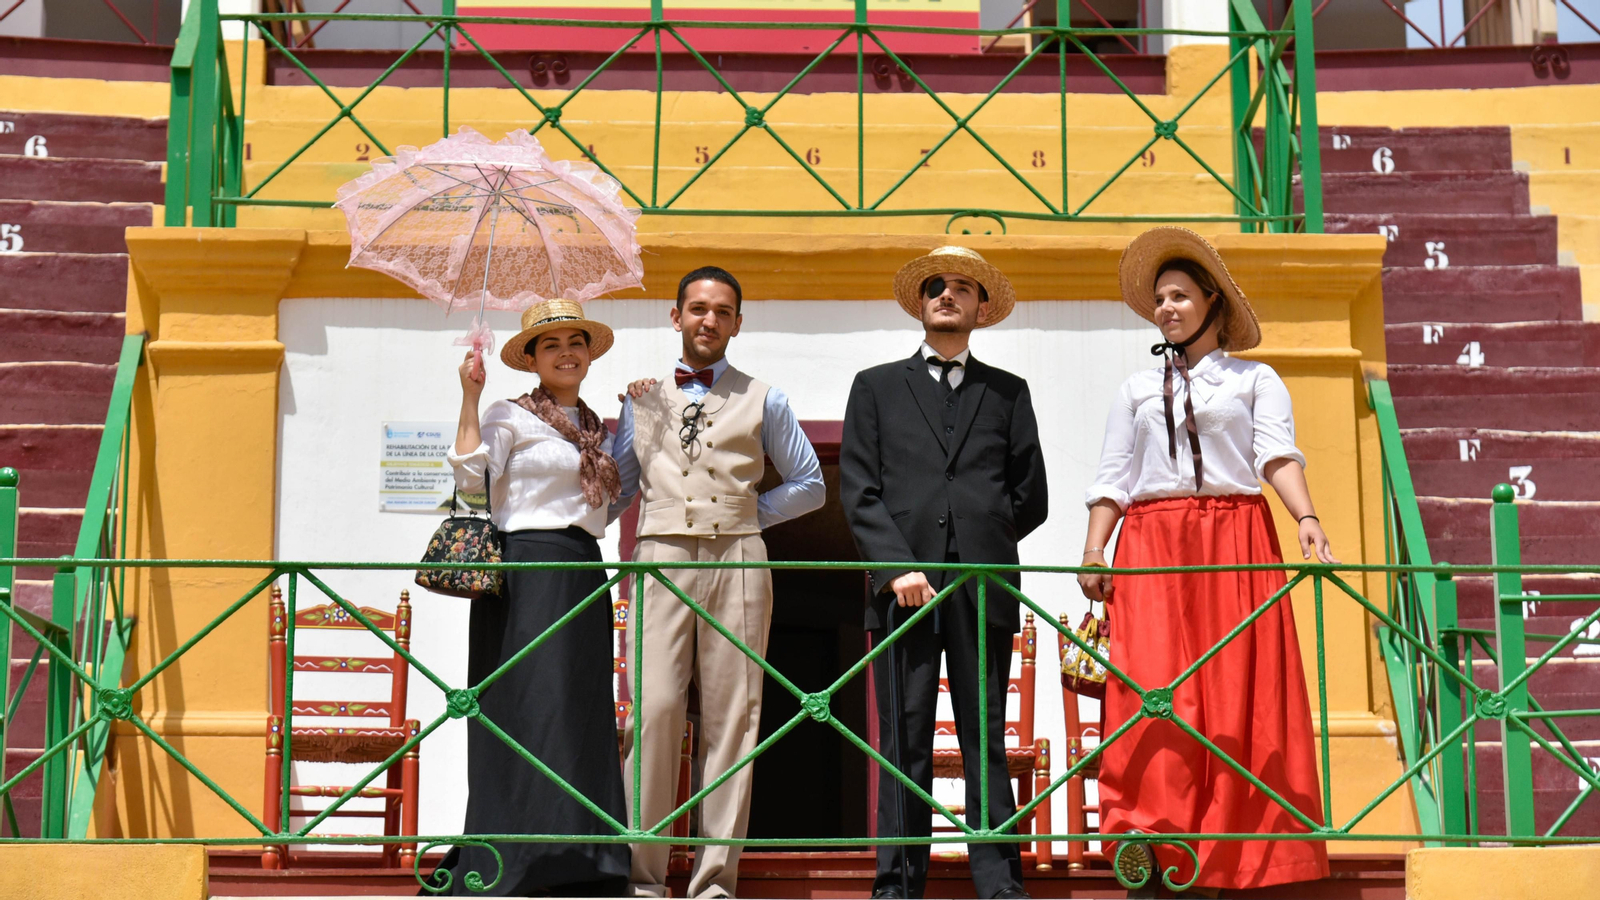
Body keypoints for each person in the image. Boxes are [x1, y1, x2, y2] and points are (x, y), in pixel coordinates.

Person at [1078, 227, 1333, 895]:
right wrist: (1092, 548)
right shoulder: (1135, 389)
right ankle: (1151, 840)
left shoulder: (1256, 379)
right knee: (1154, 691)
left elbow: (1275, 456)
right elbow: (1113, 477)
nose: (1166, 308)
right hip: (1153, 542)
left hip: (1235, 538)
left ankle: (1233, 851)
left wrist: (1304, 517)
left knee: (1233, 693)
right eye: (1160, 298)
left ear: (1212, 303)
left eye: (1180, 296)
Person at [840, 246, 1048, 900]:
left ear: (981, 307)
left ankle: (999, 886)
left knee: (985, 735)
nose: (948, 294)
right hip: (902, 591)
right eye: (937, 285)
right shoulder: (874, 387)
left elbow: (1030, 495)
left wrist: (978, 534)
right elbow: (859, 491)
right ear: (921, 301)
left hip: (982, 587)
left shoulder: (1008, 393)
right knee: (904, 741)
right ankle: (898, 887)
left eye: (963, 286)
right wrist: (898, 567)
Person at [612, 265, 826, 899]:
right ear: (675, 317)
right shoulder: (641, 397)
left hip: (738, 561)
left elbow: (811, 484)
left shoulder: (768, 397)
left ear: (737, 322)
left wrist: (744, 516)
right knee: (651, 713)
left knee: (732, 720)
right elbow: (620, 485)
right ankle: (644, 879)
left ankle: (714, 884)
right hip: (657, 560)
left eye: (722, 311)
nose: (709, 319)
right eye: (697, 308)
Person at [443, 299, 630, 897]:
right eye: (550, 344)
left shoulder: (599, 428)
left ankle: (585, 857)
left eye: (575, 341)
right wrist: (471, 396)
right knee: (524, 709)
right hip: (524, 571)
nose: (566, 352)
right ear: (531, 358)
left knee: (580, 713)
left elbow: (605, 507)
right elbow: (470, 477)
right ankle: (514, 859)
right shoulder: (509, 414)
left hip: (581, 570)